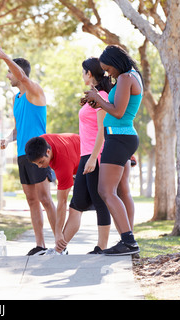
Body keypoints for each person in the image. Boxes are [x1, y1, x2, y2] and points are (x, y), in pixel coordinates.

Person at [0, 45, 56, 256]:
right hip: (22, 154)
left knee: (45, 199)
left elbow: (22, 77)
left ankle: (60, 245)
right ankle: (40, 245)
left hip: (39, 153)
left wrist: (4, 56)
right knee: (32, 201)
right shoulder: (16, 99)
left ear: (19, 73)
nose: (8, 75)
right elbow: (18, 127)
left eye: (10, 72)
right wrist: (7, 139)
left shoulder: (34, 91)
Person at [84, 45, 143, 256]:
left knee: (105, 190)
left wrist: (99, 98)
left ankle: (128, 241)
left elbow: (118, 112)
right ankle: (127, 240)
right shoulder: (129, 77)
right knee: (117, 190)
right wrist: (98, 103)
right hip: (120, 136)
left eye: (108, 69)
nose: (108, 73)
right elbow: (117, 108)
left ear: (116, 63)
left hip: (119, 136)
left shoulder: (127, 78)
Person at [52, 57, 113, 255]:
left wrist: (93, 158)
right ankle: (59, 249)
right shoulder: (93, 95)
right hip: (85, 155)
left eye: (83, 72)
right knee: (76, 204)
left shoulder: (102, 95)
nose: (82, 75)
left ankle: (101, 247)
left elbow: (102, 132)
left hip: (95, 155)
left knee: (99, 200)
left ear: (89, 73)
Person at [25, 133, 80, 255]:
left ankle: (60, 249)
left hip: (92, 160)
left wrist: (58, 232)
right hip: (77, 152)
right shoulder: (41, 141)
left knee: (77, 207)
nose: (39, 166)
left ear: (48, 152)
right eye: (36, 164)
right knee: (77, 207)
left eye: (41, 162)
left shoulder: (63, 163)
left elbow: (62, 202)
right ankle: (60, 250)